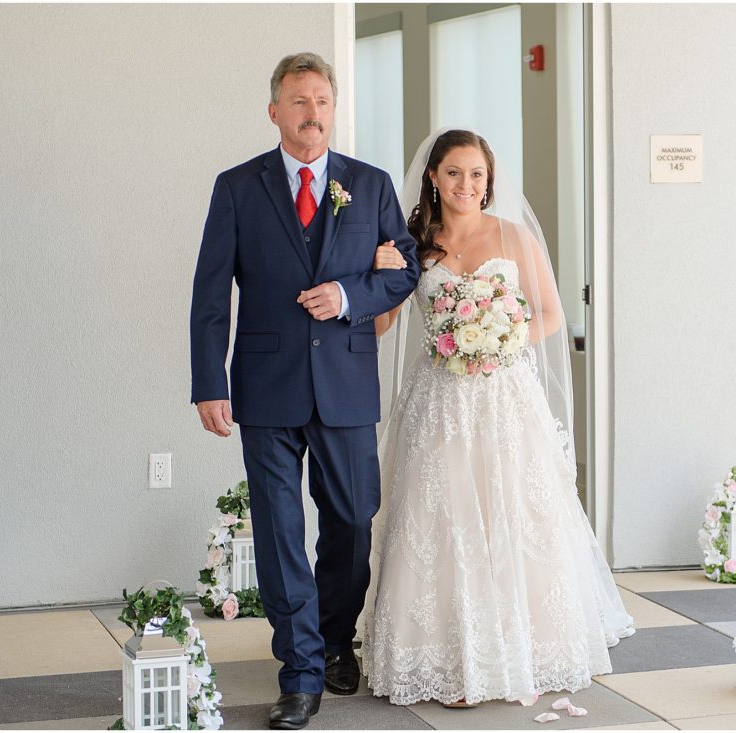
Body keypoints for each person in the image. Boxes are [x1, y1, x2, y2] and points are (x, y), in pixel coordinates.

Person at [361, 129, 634, 707]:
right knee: (444, 516)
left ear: (489, 181)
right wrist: (379, 269)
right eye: (455, 172)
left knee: (510, 512)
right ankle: (452, 658)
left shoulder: (511, 236)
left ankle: (521, 649)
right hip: (437, 400)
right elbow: (382, 325)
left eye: (477, 174)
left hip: (504, 398)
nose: (467, 185)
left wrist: (500, 341)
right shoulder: (413, 241)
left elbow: (551, 315)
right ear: (433, 176)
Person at [189, 52, 419, 730]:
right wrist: (208, 381)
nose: (312, 112)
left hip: (346, 380)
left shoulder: (369, 185)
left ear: (332, 107)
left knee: (352, 519)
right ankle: (301, 671)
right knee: (281, 530)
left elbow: (402, 270)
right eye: (298, 100)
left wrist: (350, 292)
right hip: (264, 384)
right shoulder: (237, 187)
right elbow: (209, 294)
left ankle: (334, 631)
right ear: (274, 111)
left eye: (321, 99)